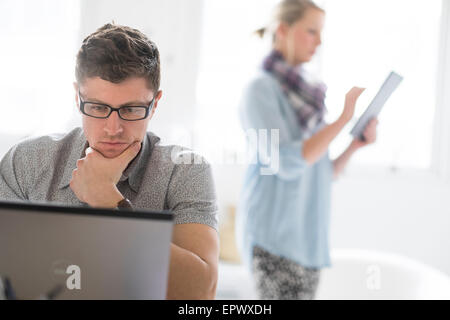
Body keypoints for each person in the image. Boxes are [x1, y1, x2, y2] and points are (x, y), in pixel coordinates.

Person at [0, 23, 219, 300]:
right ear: (78, 97)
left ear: (155, 103)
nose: (113, 128)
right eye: (98, 108)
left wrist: (108, 202)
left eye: (130, 109)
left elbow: (200, 293)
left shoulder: (187, 170)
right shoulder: (26, 162)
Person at [237, 0, 378, 300]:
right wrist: (343, 119)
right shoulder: (259, 90)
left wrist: (354, 145)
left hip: (308, 243)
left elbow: (322, 172)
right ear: (284, 30)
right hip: (274, 243)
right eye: (312, 31)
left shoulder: (309, 96)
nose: (320, 41)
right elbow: (287, 162)